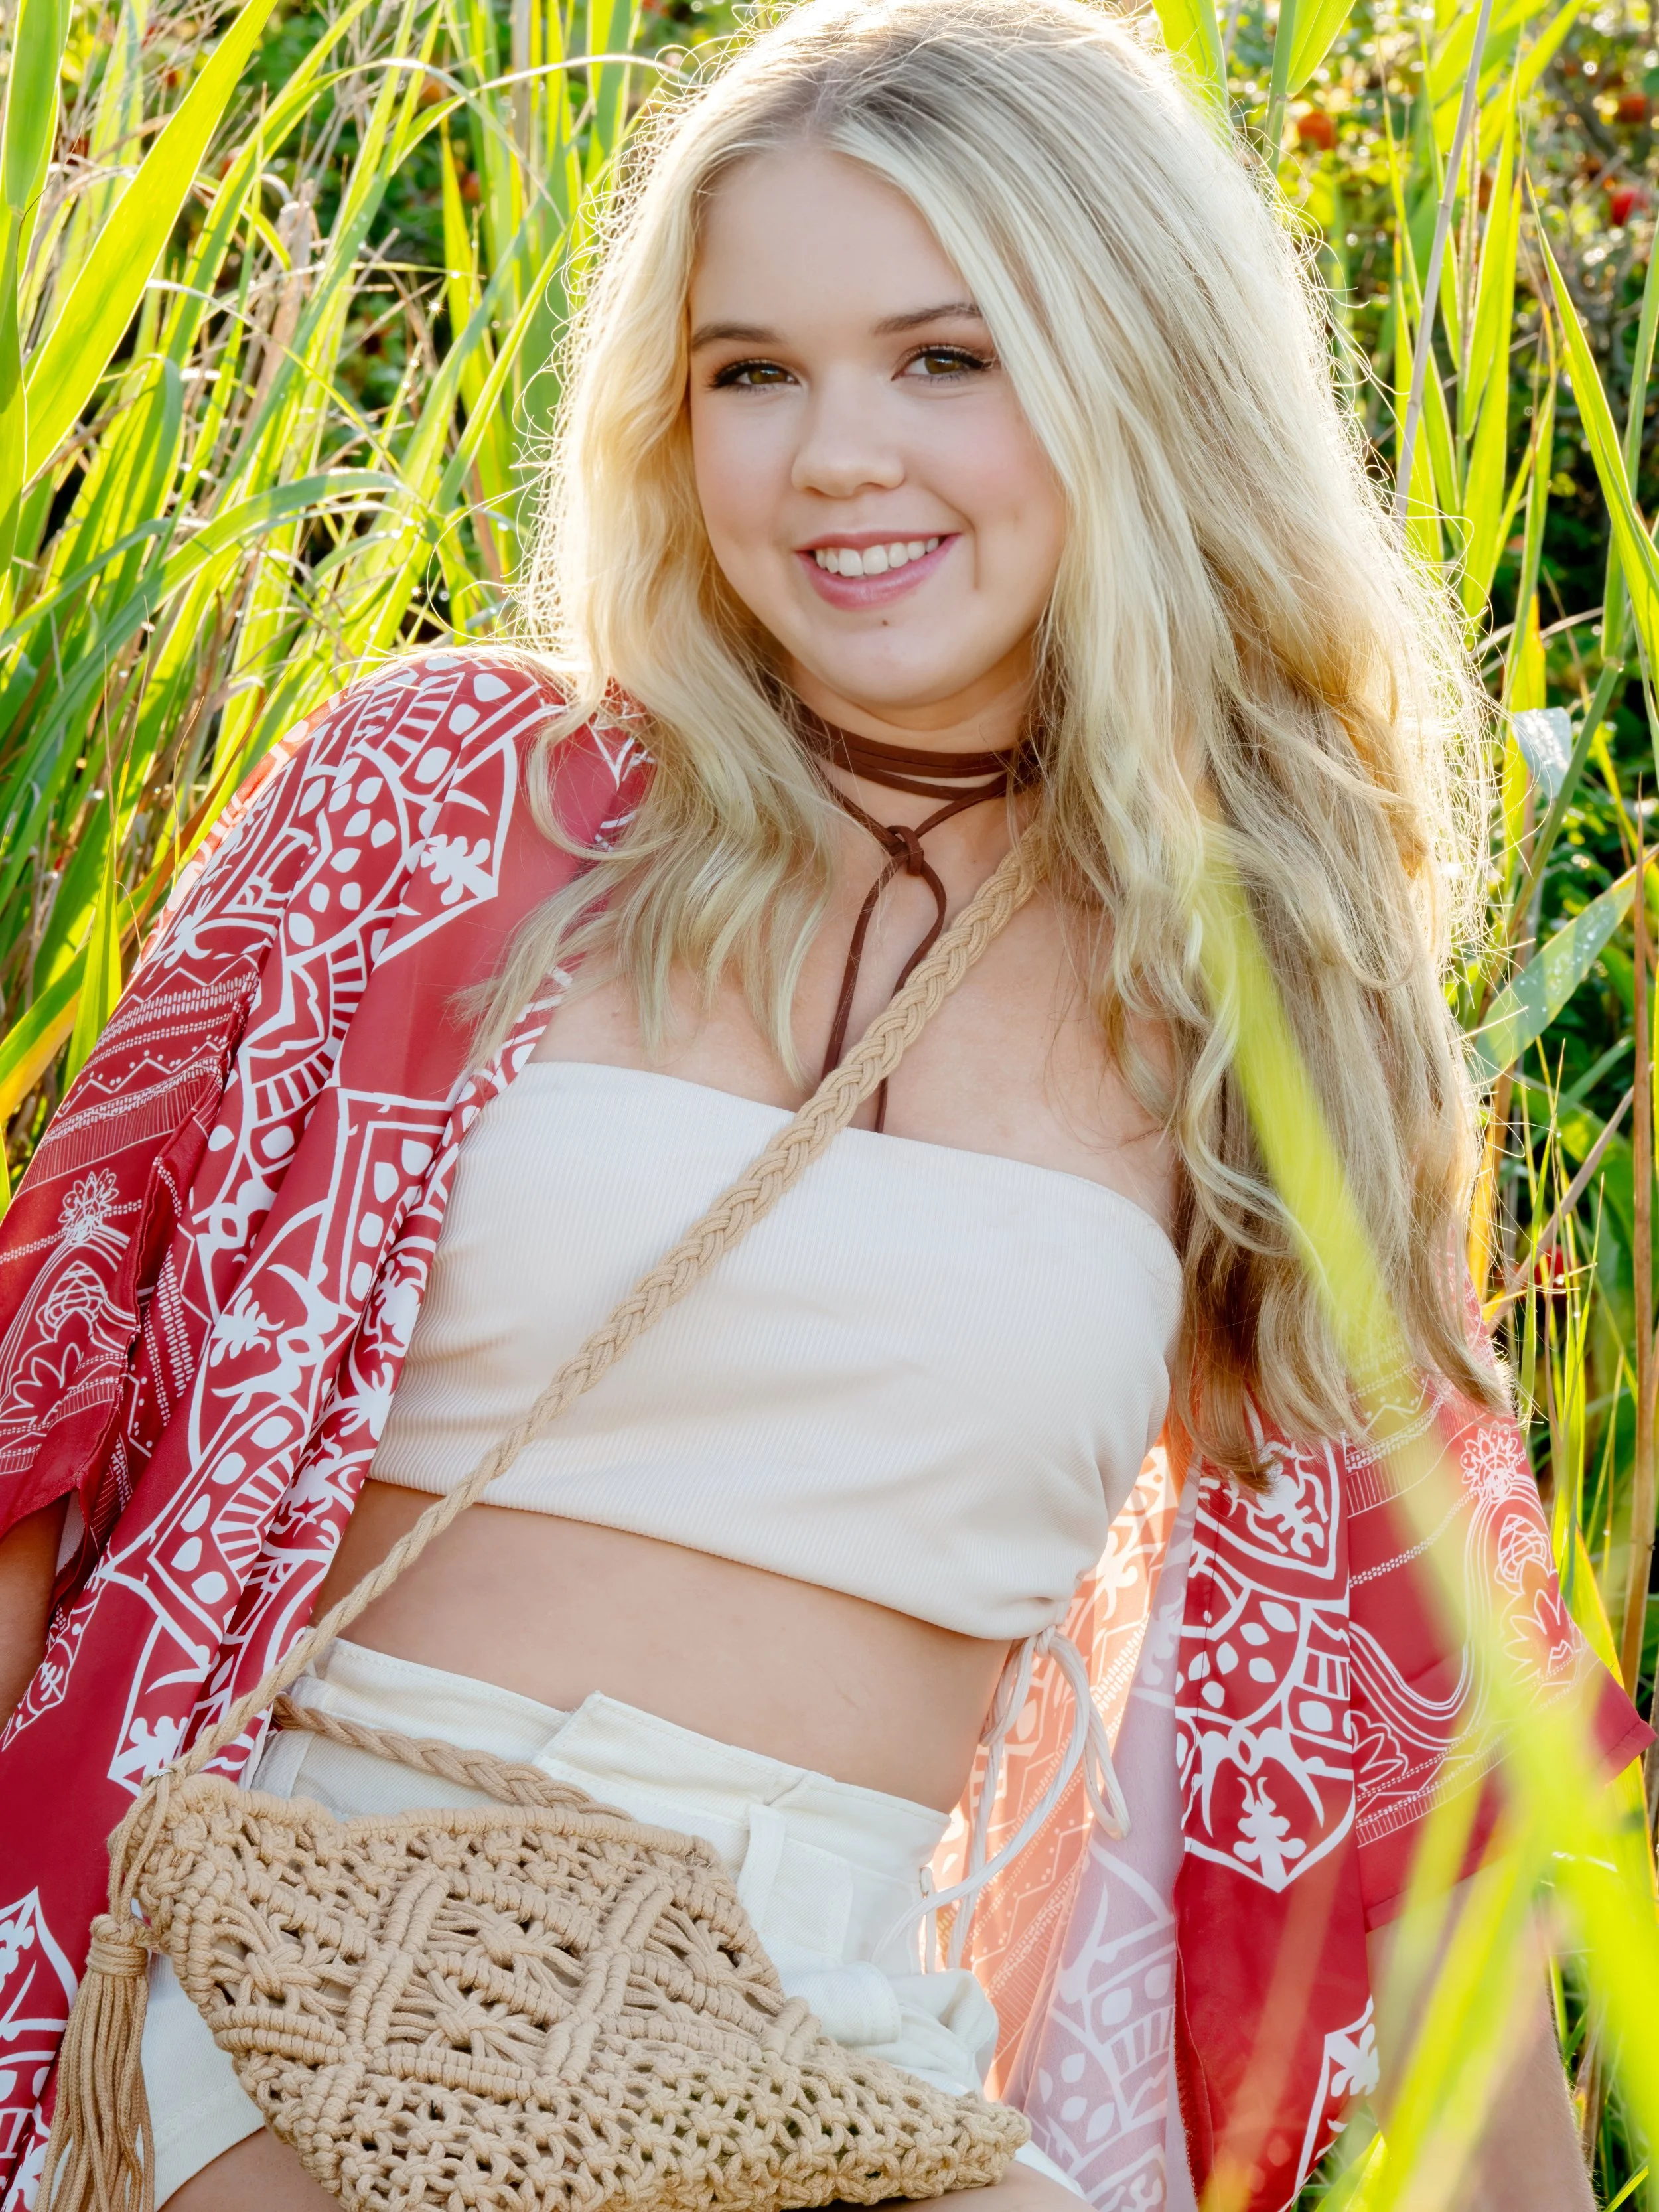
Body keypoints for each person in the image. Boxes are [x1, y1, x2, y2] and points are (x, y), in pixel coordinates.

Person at [0, 1, 1645, 2207]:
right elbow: (48, 1418)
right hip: (304, 1940)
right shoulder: (451, 803)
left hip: (830, 2032)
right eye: (749, 368)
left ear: (1136, 378)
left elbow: (1406, 1782)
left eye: (943, 357)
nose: (831, 454)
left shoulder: (1246, 999)